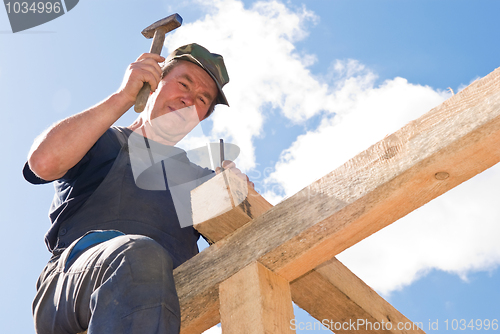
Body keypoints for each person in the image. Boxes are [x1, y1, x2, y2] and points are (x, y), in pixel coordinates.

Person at [24, 43, 252, 334]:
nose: (188, 100)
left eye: (202, 99)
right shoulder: (101, 140)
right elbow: (43, 162)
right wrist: (124, 96)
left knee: (146, 261)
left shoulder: (198, 178)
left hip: (161, 307)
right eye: (183, 84)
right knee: (138, 257)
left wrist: (239, 195)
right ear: (153, 81)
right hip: (74, 286)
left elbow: (244, 238)